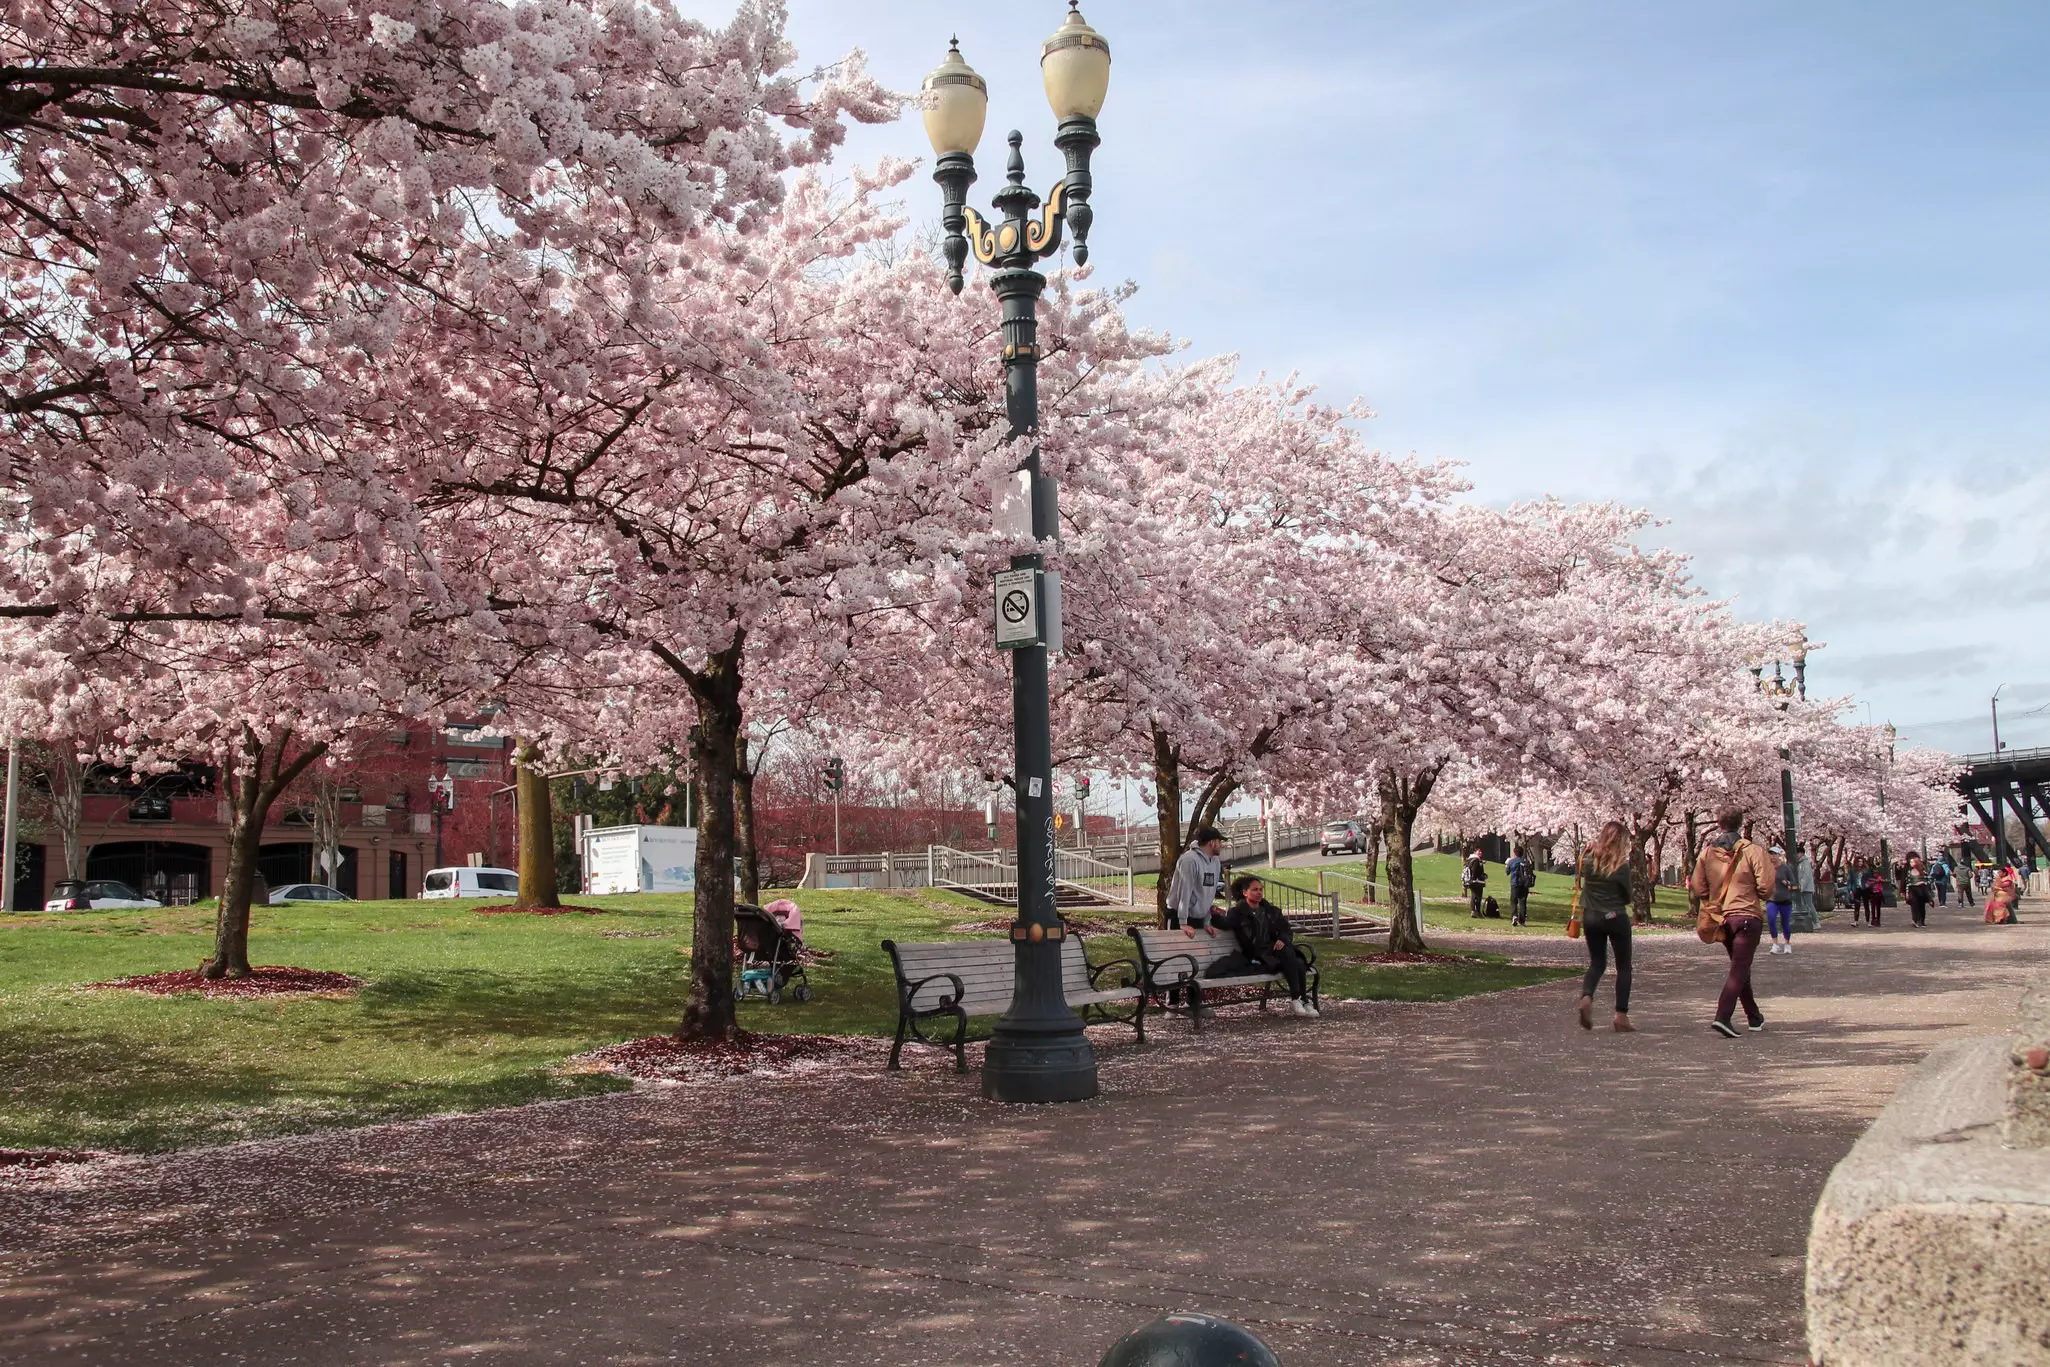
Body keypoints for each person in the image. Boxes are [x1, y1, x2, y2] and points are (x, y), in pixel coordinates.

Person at [1688, 808, 1777, 1038]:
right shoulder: (1753, 851)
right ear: (1741, 824)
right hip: (1747, 916)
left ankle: (1753, 1016)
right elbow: (1766, 887)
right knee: (1739, 967)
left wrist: (1714, 899)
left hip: (1723, 919)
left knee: (1740, 965)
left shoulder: (1707, 853)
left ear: (1718, 824)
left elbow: (1698, 887)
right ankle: (1723, 1016)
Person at [1221, 874, 1318, 1017]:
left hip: (1275, 952)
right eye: (1254, 890)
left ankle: (1299, 1000)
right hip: (1257, 956)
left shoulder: (1270, 910)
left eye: (1261, 889)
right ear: (1244, 892)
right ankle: (1299, 999)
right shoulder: (1237, 913)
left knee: (1294, 958)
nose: (1259, 892)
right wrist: (1211, 920)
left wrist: (1283, 939)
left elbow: (1286, 930)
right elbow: (1226, 924)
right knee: (1294, 960)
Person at [1575, 820, 1637, 1032]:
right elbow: (1627, 896)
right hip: (1615, 916)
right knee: (1623, 966)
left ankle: (1586, 996)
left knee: (1597, 963)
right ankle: (1621, 1015)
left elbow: (1579, 875)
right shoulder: (1621, 864)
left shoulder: (1589, 859)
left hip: (1591, 916)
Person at [1165, 826, 1226, 937]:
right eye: (1219, 841)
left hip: (1199, 917)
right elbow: (1184, 892)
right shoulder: (1189, 860)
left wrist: (1207, 922)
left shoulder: (1216, 862)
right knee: (1178, 952)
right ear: (1212, 843)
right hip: (1178, 916)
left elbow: (1209, 894)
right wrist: (1183, 923)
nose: (1221, 845)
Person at [1764, 844, 1795, 954]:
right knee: (1771, 920)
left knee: (1785, 923)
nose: (1772, 857)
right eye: (1770, 854)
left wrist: (1787, 884)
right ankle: (1775, 944)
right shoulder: (1767, 868)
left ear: (1778, 856)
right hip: (1772, 900)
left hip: (1785, 900)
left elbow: (1796, 885)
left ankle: (1787, 944)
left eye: (1774, 854)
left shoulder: (1785, 868)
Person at [1505, 846, 1535, 927]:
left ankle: (1514, 916)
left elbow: (1507, 872)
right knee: (1523, 902)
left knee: (1513, 901)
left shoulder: (1511, 862)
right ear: (1522, 853)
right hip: (1524, 884)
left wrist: (1507, 865)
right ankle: (1522, 920)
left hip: (1515, 884)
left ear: (1514, 853)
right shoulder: (1526, 862)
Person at [1904, 855, 1932, 928]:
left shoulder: (1922, 871)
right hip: (1912, 889)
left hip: (1921, 889)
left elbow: (1928, 881)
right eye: (1910, 862)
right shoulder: (1909, 872)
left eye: (1912, 862)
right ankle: (1915, 920)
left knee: (1921, 906)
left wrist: (1927, 890)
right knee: (1914, 905)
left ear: (1916, 863)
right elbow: (1907, 882)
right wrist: (1907, 893)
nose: (1911, 863)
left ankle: (1922, 921)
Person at [1462, 846, 1488, 918]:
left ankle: (1474, 911)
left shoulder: (1469, 860)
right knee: (1478, 897)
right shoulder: (1476, 860)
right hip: (1476, 881)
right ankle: (1477, 911)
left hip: (1470, 881)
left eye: (1481, 851)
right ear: (1475, 852)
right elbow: (1475, 871)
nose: (1480, 853)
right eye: (1478, 851)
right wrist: (1483, 876)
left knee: (1474, 895)